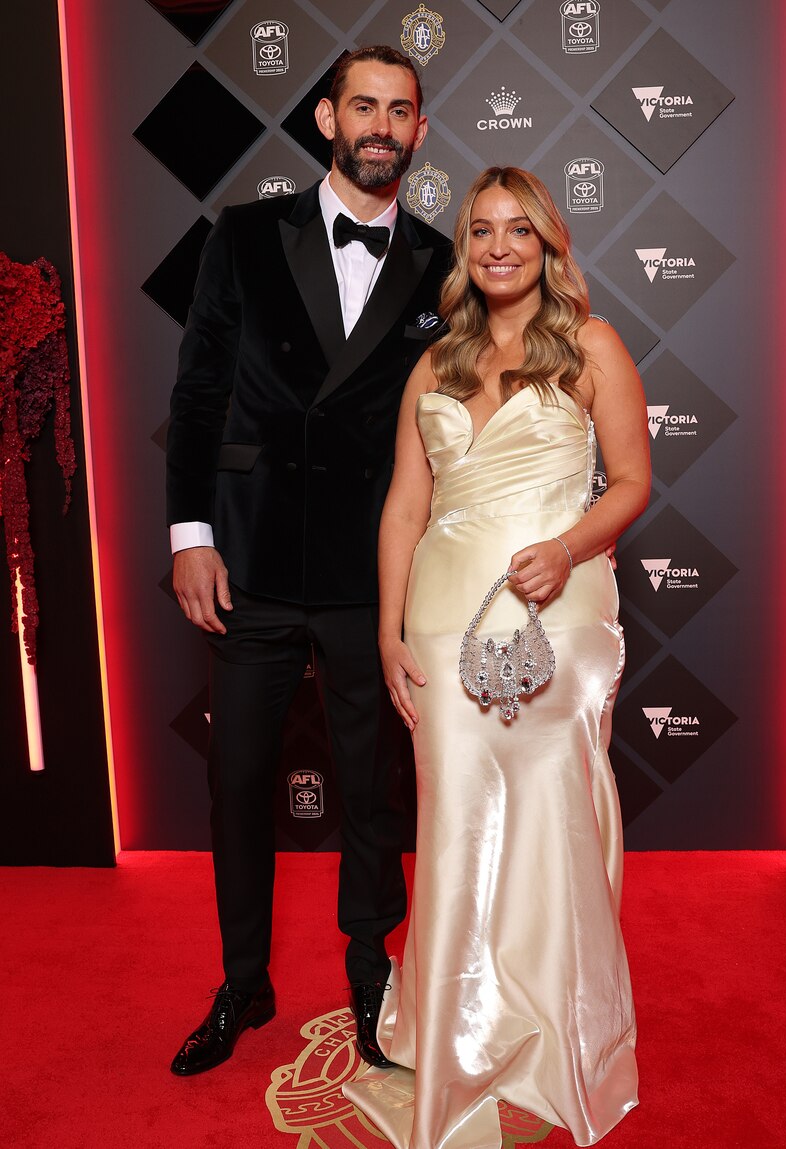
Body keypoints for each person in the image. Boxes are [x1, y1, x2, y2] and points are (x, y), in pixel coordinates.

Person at [344, 167, 650, 1146]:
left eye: (520, 230)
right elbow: (403, 505)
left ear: (549, 242)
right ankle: (458, 1035)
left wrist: (566, 549)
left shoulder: (591, 345)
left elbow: (633, 481)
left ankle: (557, 1037)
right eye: (481, 231)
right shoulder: (431, 365)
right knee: (458, 829)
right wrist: (389, 631)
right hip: (439, 620)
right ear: (463, 251)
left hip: (557, 617)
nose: (499, 247)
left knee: (551, 825)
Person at [165, 45, 452, 1077]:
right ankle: (244, 981)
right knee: (237, 781)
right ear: (326, 118)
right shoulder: (243, 236)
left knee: (374, 790)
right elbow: (197, 394)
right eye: (363, 105)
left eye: (402, 111)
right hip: (246, 560)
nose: (381, 125)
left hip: (370, 575)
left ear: (420, 132)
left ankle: (371, 973)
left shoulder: (439, 262)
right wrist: (189, 537)